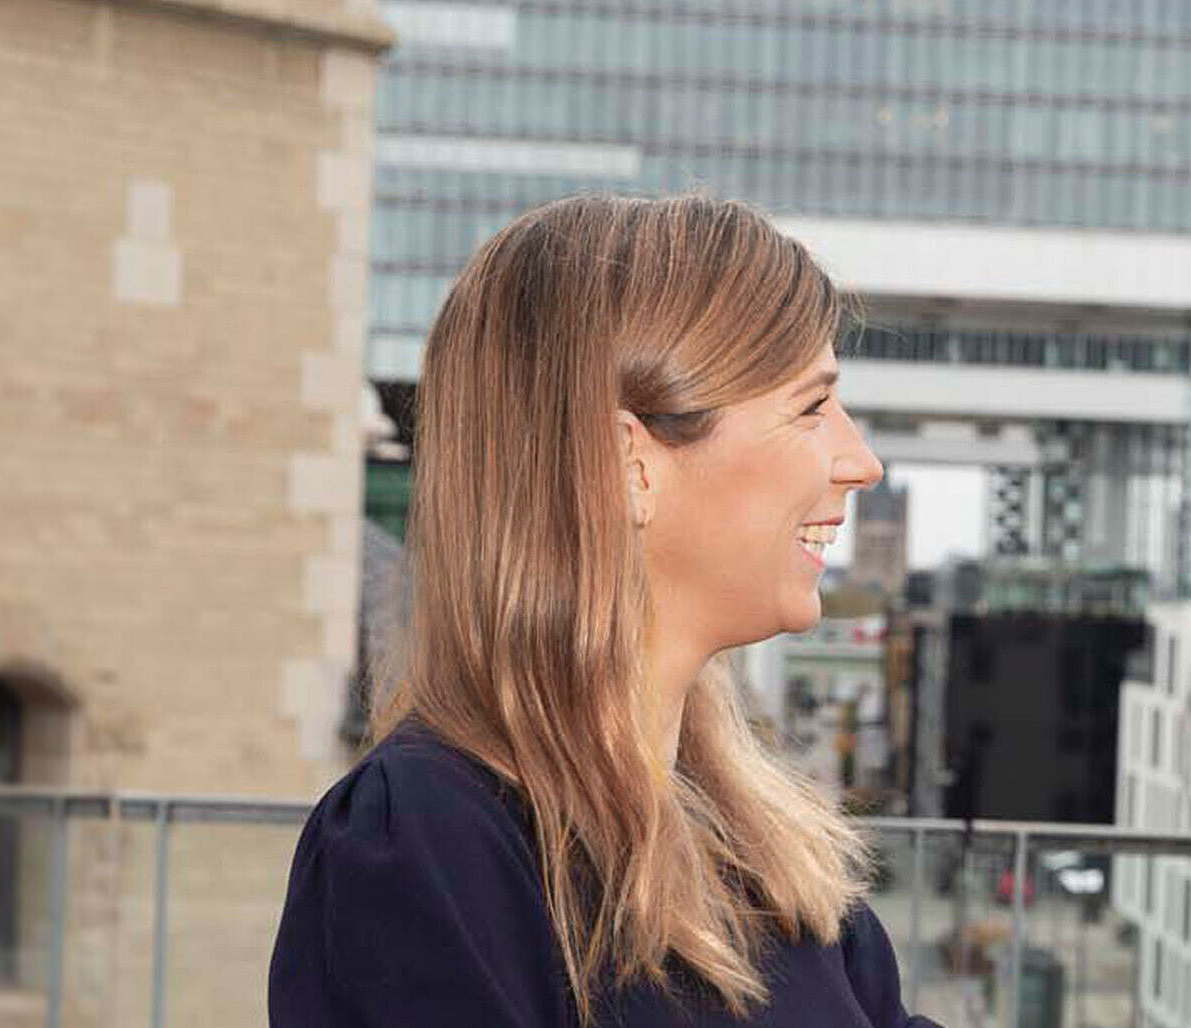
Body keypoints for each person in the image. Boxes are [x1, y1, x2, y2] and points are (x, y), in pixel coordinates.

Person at [269, 194, 936, 1028]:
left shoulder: (769, 857)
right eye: (810, 407)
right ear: (630, 462)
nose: (861, 462)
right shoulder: (426, 848)